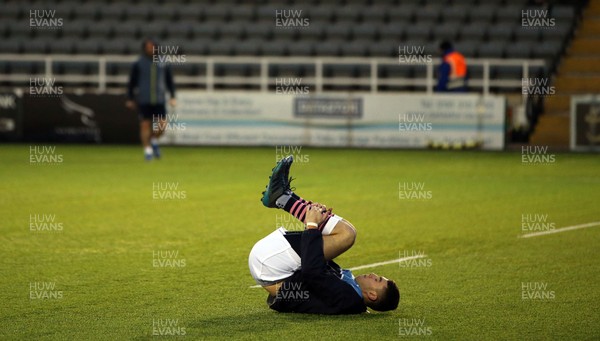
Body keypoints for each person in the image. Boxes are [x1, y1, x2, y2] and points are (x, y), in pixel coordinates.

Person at [248, 155, 400, 314]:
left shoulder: (347, 298)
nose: (373, 274)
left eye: (377, 280)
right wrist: (320, 224)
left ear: (372, 295)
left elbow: (312, 271)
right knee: (344, 231)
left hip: (271, 266)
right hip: (273, 266)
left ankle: (283, 198)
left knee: (347, 234)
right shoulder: (350, 294)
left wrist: (312, 225)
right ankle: (284, 198)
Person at [126, 38, 176, 161]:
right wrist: (130, 98)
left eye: (152, 47)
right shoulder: (139, 63)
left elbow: (169, 81)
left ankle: (153, 139)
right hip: (144, 99)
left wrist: (173, 96)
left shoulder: (163, 62)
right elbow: (131, 82)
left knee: (162, 125)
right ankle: (147, 150)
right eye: (148, 47)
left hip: (159, 99)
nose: (150, 49)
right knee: (145, 125)